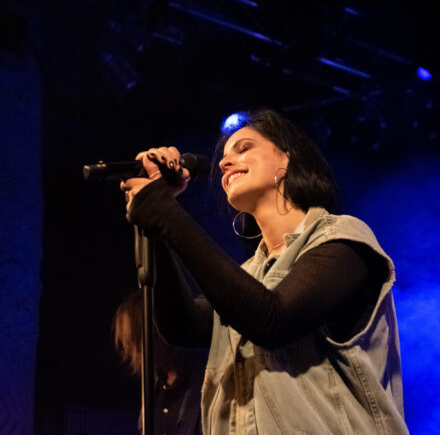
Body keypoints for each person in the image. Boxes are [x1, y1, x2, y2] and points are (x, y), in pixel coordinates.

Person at [120, 109, 409, 434]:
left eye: (243, 148)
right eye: (224, 158)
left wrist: (166, 213)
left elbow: (271, 319)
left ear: (286, 160)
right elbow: (180, 326)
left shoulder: (343, 238)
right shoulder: (251, 275)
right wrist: (157, 222)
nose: (224, 164)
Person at [113, 290, 206, 435]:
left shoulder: (203, 378)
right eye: (128, 345)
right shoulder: (152, 387)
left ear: (157, 333)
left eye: (135, 341)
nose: (134, 354)